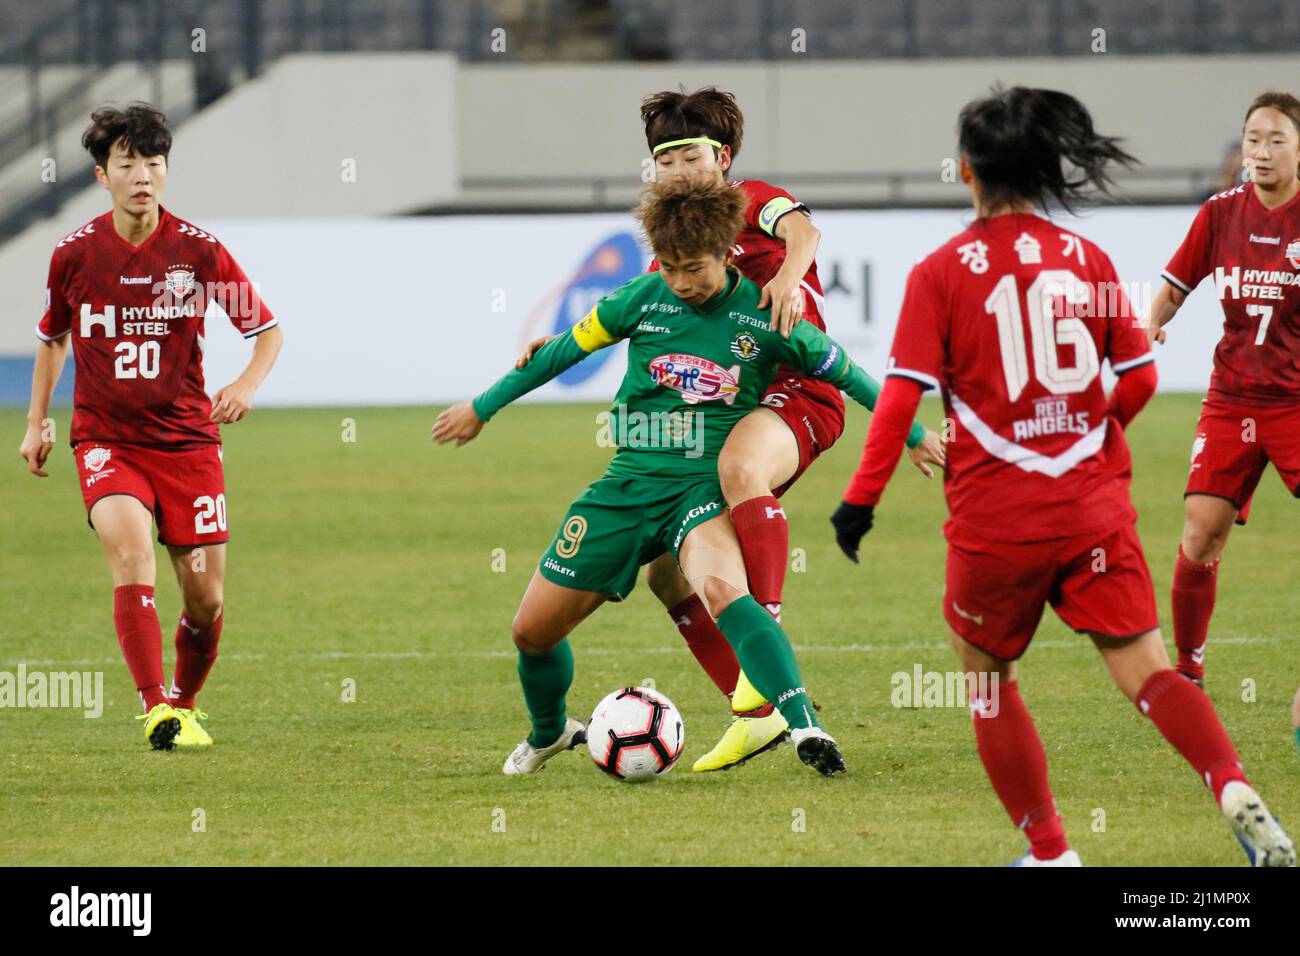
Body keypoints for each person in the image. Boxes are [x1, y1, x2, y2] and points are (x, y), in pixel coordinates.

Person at [832, 86, 1294, 866]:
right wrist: (1087, 429)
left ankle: (1052, 854)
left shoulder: (940, 271)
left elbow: (901, 397)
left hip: (995, 520)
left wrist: (859, 501)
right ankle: (1232, 786)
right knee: (1148, 671)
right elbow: (1142, 380)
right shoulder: (1090, 259)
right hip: (1092, 509)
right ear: (1047, 173)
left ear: (970, 173)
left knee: (986, 681)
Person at [434, 178, 937, 779]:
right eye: (670, 267)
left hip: (699, 491)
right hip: (626, 486)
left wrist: (913, 435)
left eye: (692, 268)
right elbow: (562, 352)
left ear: (727, 253)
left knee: (724, 591)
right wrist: (481, 408)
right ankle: (550, 733)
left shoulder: (768, 315)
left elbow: (852, 377)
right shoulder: (642, 297)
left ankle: (803, 725)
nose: (680, 281)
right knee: (531, 632)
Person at [18, 103, 283, 750]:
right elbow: (53, 339)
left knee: (206, 601)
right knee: (131, 553)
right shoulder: (74, 256)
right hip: (106, 439)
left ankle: (185, 704)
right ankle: (155, 707)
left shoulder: (198, 252)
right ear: (101, 176)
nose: (142, 175)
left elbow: (266, 331)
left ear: (166, 171)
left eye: (153, 163)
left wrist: (245, 385)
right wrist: (36, 423)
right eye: (127, 163)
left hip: (188, 442)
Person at [1145, 92, 1300, 693]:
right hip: (1233, 399)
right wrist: (1152, 320)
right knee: (1201, 530)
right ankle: (1188, 669)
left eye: (1275, 141)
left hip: (1295, 402)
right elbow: (1173, 285)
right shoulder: (1220, 213)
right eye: (1252, 139)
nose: (1259, 152)